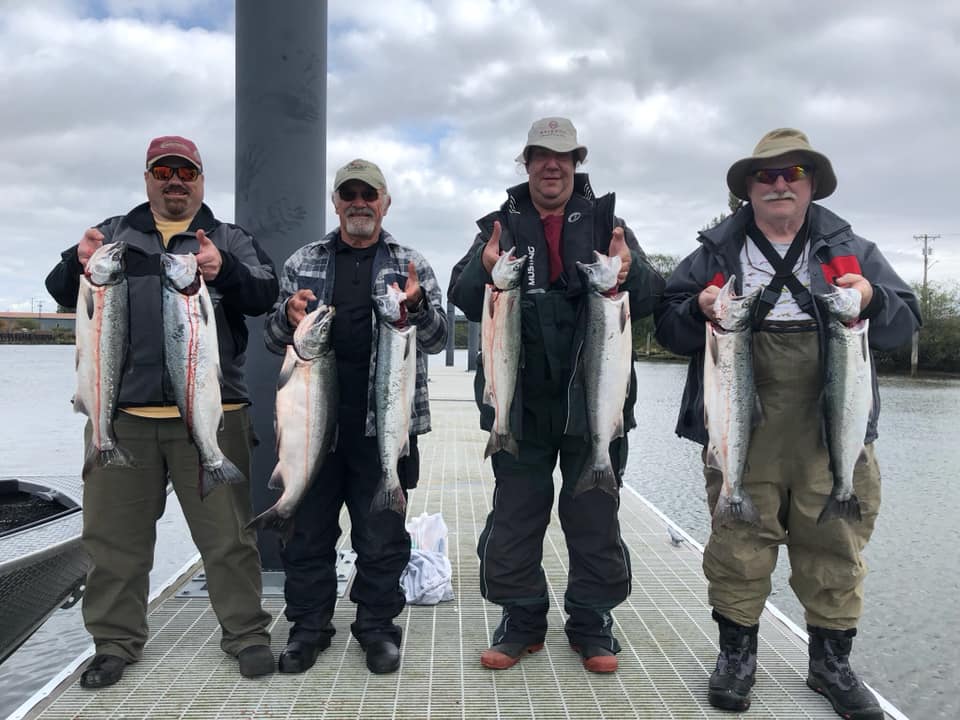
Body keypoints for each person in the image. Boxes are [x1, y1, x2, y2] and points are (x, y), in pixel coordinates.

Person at [654, 128, 921, 718]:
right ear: (747, 189)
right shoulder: (714, 256)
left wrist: (873, 299)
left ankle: (831, 665)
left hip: (834, 423)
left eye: (792, 174)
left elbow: (904, 328)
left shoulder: (852, 250)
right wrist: (694, 309)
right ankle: (737, 657)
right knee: (738, 540)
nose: (779, 184)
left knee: (835, 541)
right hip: (742, 415)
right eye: (766, 175)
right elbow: (667, 329)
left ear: (811, 185)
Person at [45, 135, 279, 687]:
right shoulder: (113, 235)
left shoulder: (229, 238)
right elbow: (59, 290)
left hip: (212, 414)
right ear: (148, 176)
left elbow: (265, 295)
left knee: (229, 539)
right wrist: (73, 261)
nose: (175, 180)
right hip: (120, 416)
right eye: (163, 170)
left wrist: (226, 271)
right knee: (113, 541)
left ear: (201, 178)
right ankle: (115, 642)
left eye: (186, 172)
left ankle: (245, 635)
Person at [448, 117, 665, 673]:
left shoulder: (608, 226)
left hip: (595, 406)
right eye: (541, 156)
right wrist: (485, 266)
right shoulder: (500, 226)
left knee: (594, 517)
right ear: (526, 163)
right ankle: (522, 620)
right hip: (519, 407)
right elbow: (462, 294)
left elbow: (651, 300)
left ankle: (591, 621)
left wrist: (631, 270)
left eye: (563, 158)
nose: (552, 166)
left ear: (576, 164)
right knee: (516, 517)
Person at [263, 158, 447, 675]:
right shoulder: (305, 260)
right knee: (308, 534)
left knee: (382, 537)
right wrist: (287, 315)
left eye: (370, 194)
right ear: (336, 202)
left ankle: (377, 628)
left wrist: (419, 309)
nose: (359, 203)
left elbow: (437, 339)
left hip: (383, 430)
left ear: (386, 203)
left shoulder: (411, 263)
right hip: (312, 428)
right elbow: (273, 338)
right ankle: (309, 628)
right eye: (350, 194)